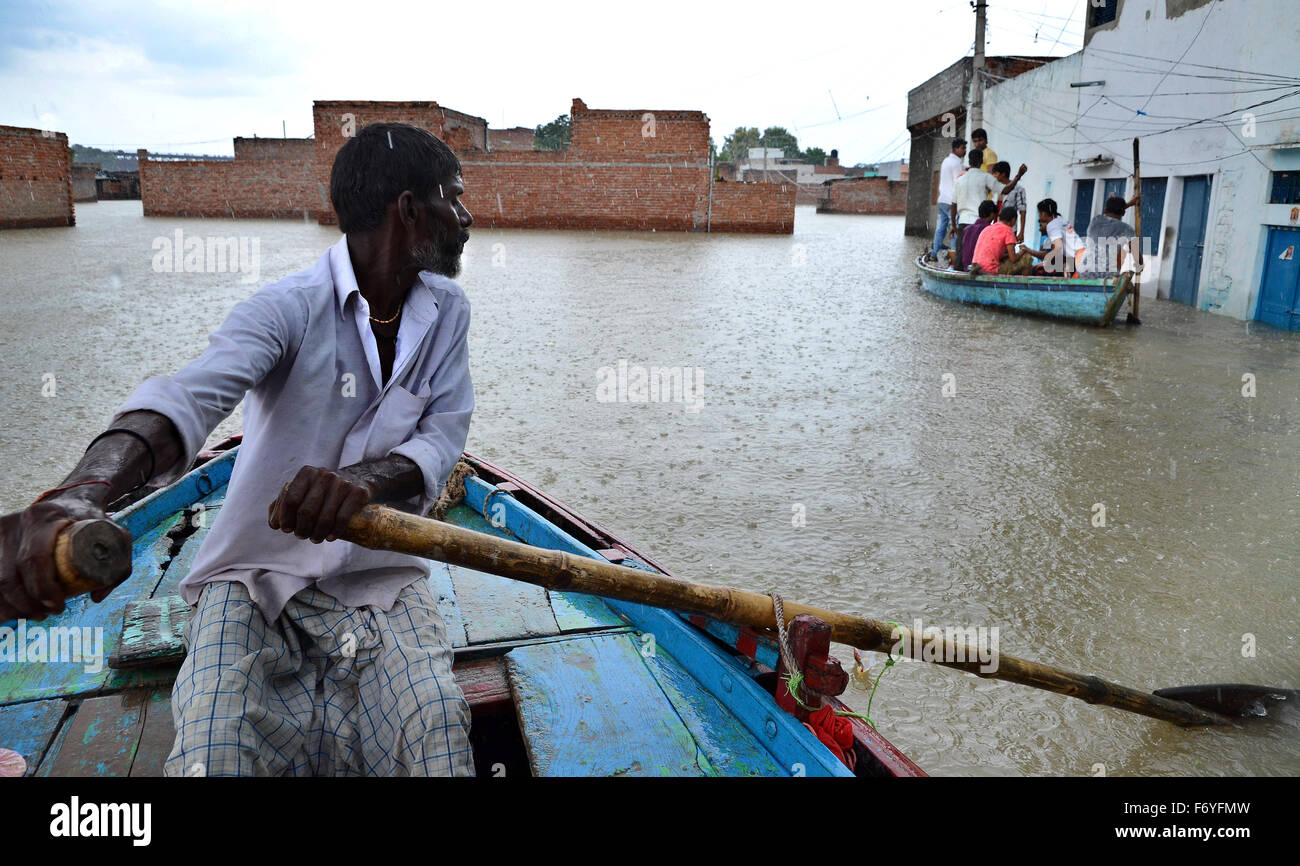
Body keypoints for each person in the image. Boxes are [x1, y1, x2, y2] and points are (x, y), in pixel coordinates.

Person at [0, 122, 477, 777]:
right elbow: (188, 397)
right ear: (409, 209)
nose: (467, 217)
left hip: (380, 580)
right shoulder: (287, 307)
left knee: (437, 739)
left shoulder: (449, 311)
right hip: (254, 578)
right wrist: (84, 493)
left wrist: (361, 480)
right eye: (454, 197)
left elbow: (443, 434)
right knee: (215, 753)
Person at [950, 149, 999, 269]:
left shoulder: (959, 180)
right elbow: (1003, 190)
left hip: (963, 221)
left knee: (961, 255)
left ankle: (958, 275)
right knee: (979, 254)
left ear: (969, 161)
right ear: (981, 161)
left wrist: (953, 225)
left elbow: (953, 205)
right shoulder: (986, 177)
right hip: (980, 223)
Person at [1083, 193, 1143, 277]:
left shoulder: (1095, 221)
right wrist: (1140, 265)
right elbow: (1135, 251)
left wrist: (1128, 204)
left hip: (1085, 272)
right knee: (1129, 287)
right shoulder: (1126, 229)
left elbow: (1114, 210)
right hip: (1107, 275)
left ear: (1105, 210)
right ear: (1123, 213)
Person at [928, 137, 966, 263]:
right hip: (951, 201)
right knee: (954, 228)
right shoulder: (956, 163)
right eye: (963, 148)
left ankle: (934, 253)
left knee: (941, 228)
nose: (964, 150)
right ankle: (954, 255)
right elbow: (958, 181)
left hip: (942, 200)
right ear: (956, 149)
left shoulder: (946, 161)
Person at [970, 206, 1034, 276]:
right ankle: (1022, 285)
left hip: (976, 267)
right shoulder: (1008, 230)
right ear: (1013, 220)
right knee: (1027, 258)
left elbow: (995, 254)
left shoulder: (988, 228)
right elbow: (1013, 259)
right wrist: (1022, 251)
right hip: (990, 270)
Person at [1024, 198, 1073, 276]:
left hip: (1066, 266)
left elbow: (1055, 255)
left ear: (1044, 214)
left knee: (1035, 271)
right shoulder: (1059, 224)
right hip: (1066, 263)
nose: (1040, 228)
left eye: (1039, 215)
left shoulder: (1054, 228)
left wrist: (1029, 251)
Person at [990, 161, 1029, 243]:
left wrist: (1021, 232)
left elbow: (1023, 211)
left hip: (1010, 228)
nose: (993, 176)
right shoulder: (995, 188)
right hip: (995, 227)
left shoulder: (1018, 189)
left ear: (1003, 174)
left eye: (995, 173)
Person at [960, 200, 998, 270]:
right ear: (992, 214)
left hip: (966, 268)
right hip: (979, 269)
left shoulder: (967, 229)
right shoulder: (989, 229)